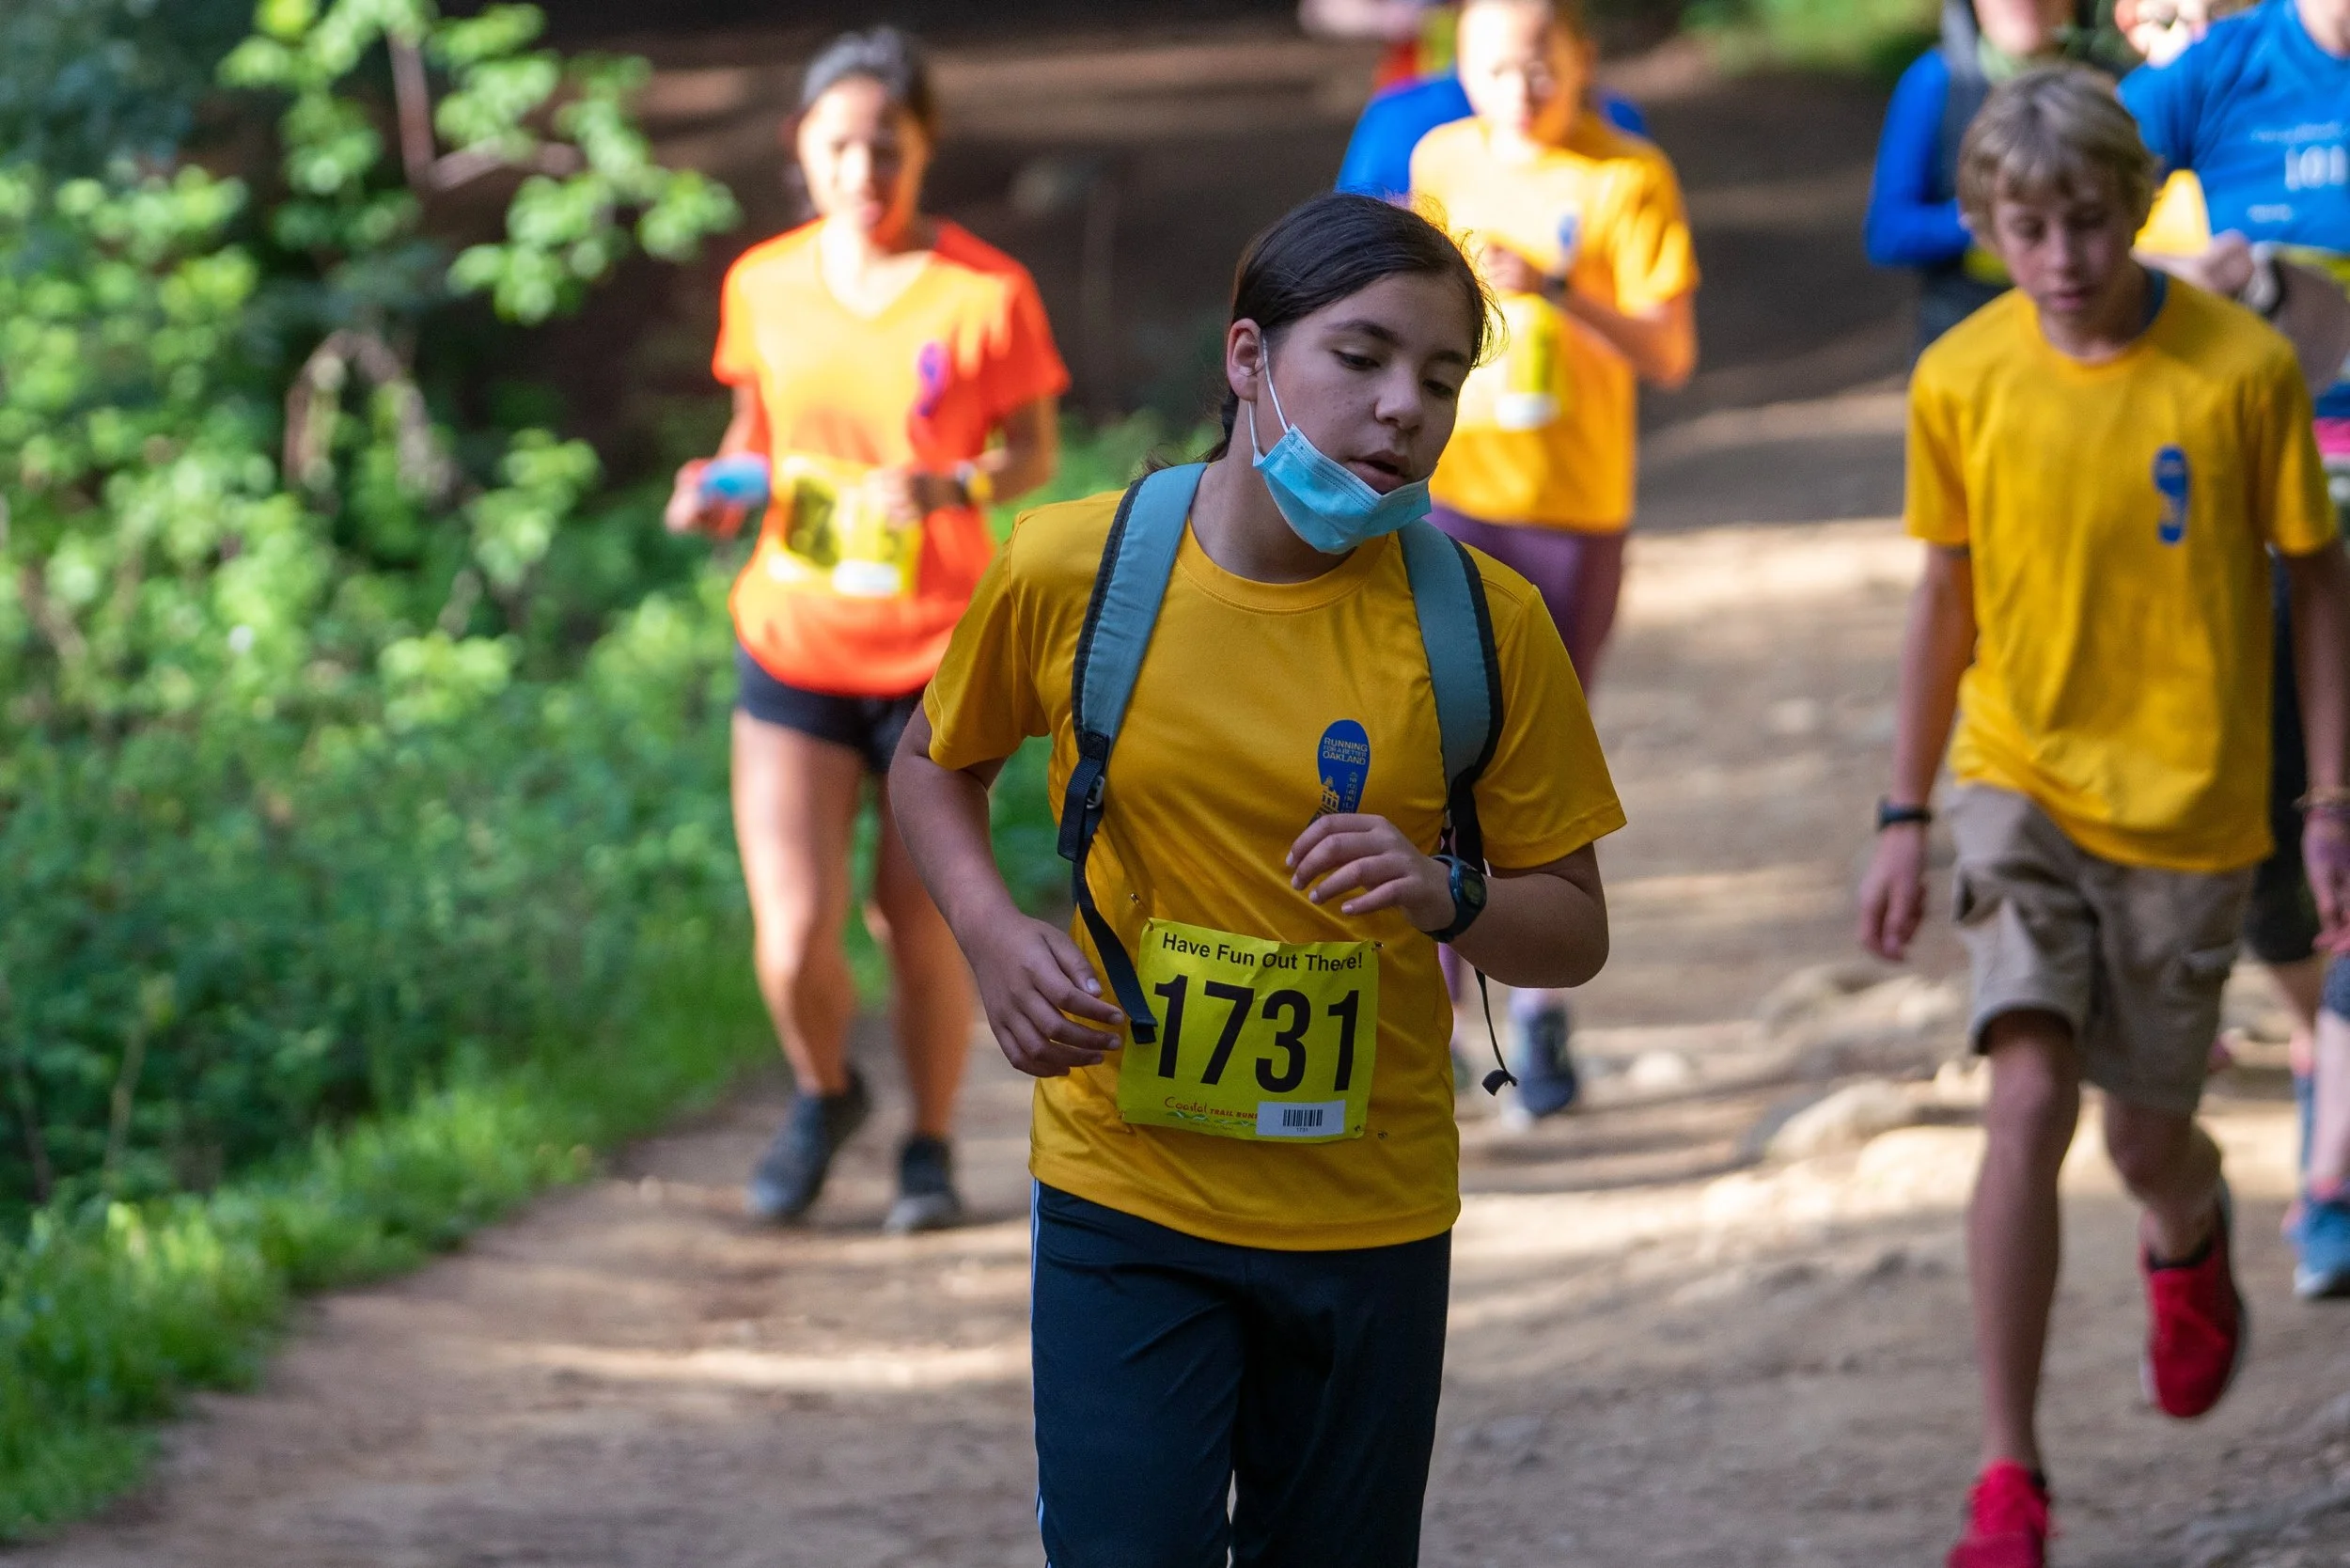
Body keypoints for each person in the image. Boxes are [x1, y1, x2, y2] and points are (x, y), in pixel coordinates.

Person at [891, 192, 1621, 1567]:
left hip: (1369, 1213)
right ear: (1247, 357)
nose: (1402, 406)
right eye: (1361, 356)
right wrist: (990, 934)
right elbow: (933, 764)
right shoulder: (1075, 568)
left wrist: (1445, 893)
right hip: (1127, 1191)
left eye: (1441, 379)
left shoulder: (1487, 627)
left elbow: (1573, 933)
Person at [1856, 71, 2350, 1568]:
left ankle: (2188, 1227)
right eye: (2028, 229)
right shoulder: (1962, 377)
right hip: (2021, 779)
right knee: (2025, 1093)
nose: (2062, 257)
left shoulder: (2240, 367)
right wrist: (1904, 811)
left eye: (2087, 221)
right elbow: (1944, 595)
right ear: (1988, 227)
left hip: (2194, 809)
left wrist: (2328, 799)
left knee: (2146, 1138)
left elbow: (2316, 582)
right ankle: (2008, 1477)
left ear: (2138, 205)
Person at [664, 27, 1068, 1233]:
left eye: (886, 146)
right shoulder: (763, 283)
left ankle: (929, 1148)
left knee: (915, 920)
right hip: (793, 639)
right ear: (801, 146)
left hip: (938, 656)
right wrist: (717, 490)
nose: (861, 170)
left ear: (923, 147)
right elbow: (757, 438)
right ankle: (825, 1091)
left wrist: (953, 485)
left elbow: (1033, 454)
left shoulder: (987, 292)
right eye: (838, 145)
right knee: (791, 936)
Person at [1406, 0, 1694, 1119]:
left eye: (1540, 65)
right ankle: (1431, 1017)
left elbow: (1668, 351)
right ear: (1462, 70)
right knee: (1435, 753)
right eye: (1494, 68)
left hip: (1574, 512)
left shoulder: (1627, 176)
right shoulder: (1441, 161)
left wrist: (1557, 291)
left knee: (1532, 764)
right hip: (1451, 502)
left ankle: (1535, 1013)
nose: (1519, 89)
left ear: (1582, 60)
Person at [2121, 0, 2350, 1298]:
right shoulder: (2228, 68)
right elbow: (2043, 198)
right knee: (2272, 823)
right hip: (2259, 496)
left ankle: (2331, 1171)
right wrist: (2182, 283)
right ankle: (2325, 1058)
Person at [1863, 0, 2122, 351]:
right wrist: (1998, 220)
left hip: (2099, 332)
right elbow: (1887, 232)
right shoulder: (1938, 80)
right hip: (1968, 325)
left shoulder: (2120, 86)